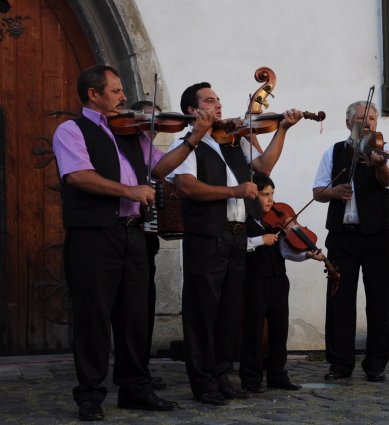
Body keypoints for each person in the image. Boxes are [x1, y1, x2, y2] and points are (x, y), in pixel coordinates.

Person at [52, 65, 213, 421]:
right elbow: (77, 176)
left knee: (135, 316)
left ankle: (135, 388)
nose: (124, 97)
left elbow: (161, 169)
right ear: (93, 94)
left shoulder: (134, 132)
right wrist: (129, 191)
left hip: (133, 233)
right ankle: (90, 395)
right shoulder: (71, 130)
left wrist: (193, 138)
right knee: (94, 317)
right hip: (94, 236)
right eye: (116, 91)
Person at [169, 81, 303, 405]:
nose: (218, 105)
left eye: (218, 99)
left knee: (230, 311)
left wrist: (283, 129)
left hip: (237, 235)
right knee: (203, 311)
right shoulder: (186, 144)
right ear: (192, 110)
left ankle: (221, 375)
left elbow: (264, 167)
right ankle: (203, 382)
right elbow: (186, 187)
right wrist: (233, 191)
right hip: (207, 235)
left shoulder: (234, 140)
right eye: (209, 100)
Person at [312, 100, 389, 383]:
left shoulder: (385, 150)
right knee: (339, 300)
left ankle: (376, 364)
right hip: (342, 236)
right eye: (361, 118)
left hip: (377, 237)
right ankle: (340, 363)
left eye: (372, 118)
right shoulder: (334, 151)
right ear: (348, 122)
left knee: (379, 301)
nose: (367, 123)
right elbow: (317, 191)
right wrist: (334, 192)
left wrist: (380, 166)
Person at [239, 173, 325, 394]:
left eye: (272, 194)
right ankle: (251, 378)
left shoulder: (275, 222)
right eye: (265, 194)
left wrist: (307, 254)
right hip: (254, 280)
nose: (271, 200)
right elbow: (236, 245)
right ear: (252, 195)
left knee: (279, 328)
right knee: (253, 330)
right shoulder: (243, 220)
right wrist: (260, 240)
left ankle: (277, 374)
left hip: (278, 279)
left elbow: (286, 250)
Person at [128, 100, 168, 391]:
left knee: (144, 305)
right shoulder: (124, 148)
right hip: (125, 233)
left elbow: (168, 172)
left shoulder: (155, 154)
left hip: (146, 238)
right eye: (148, 121)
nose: (153, 129)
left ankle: (140, 366)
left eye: (158, 123)